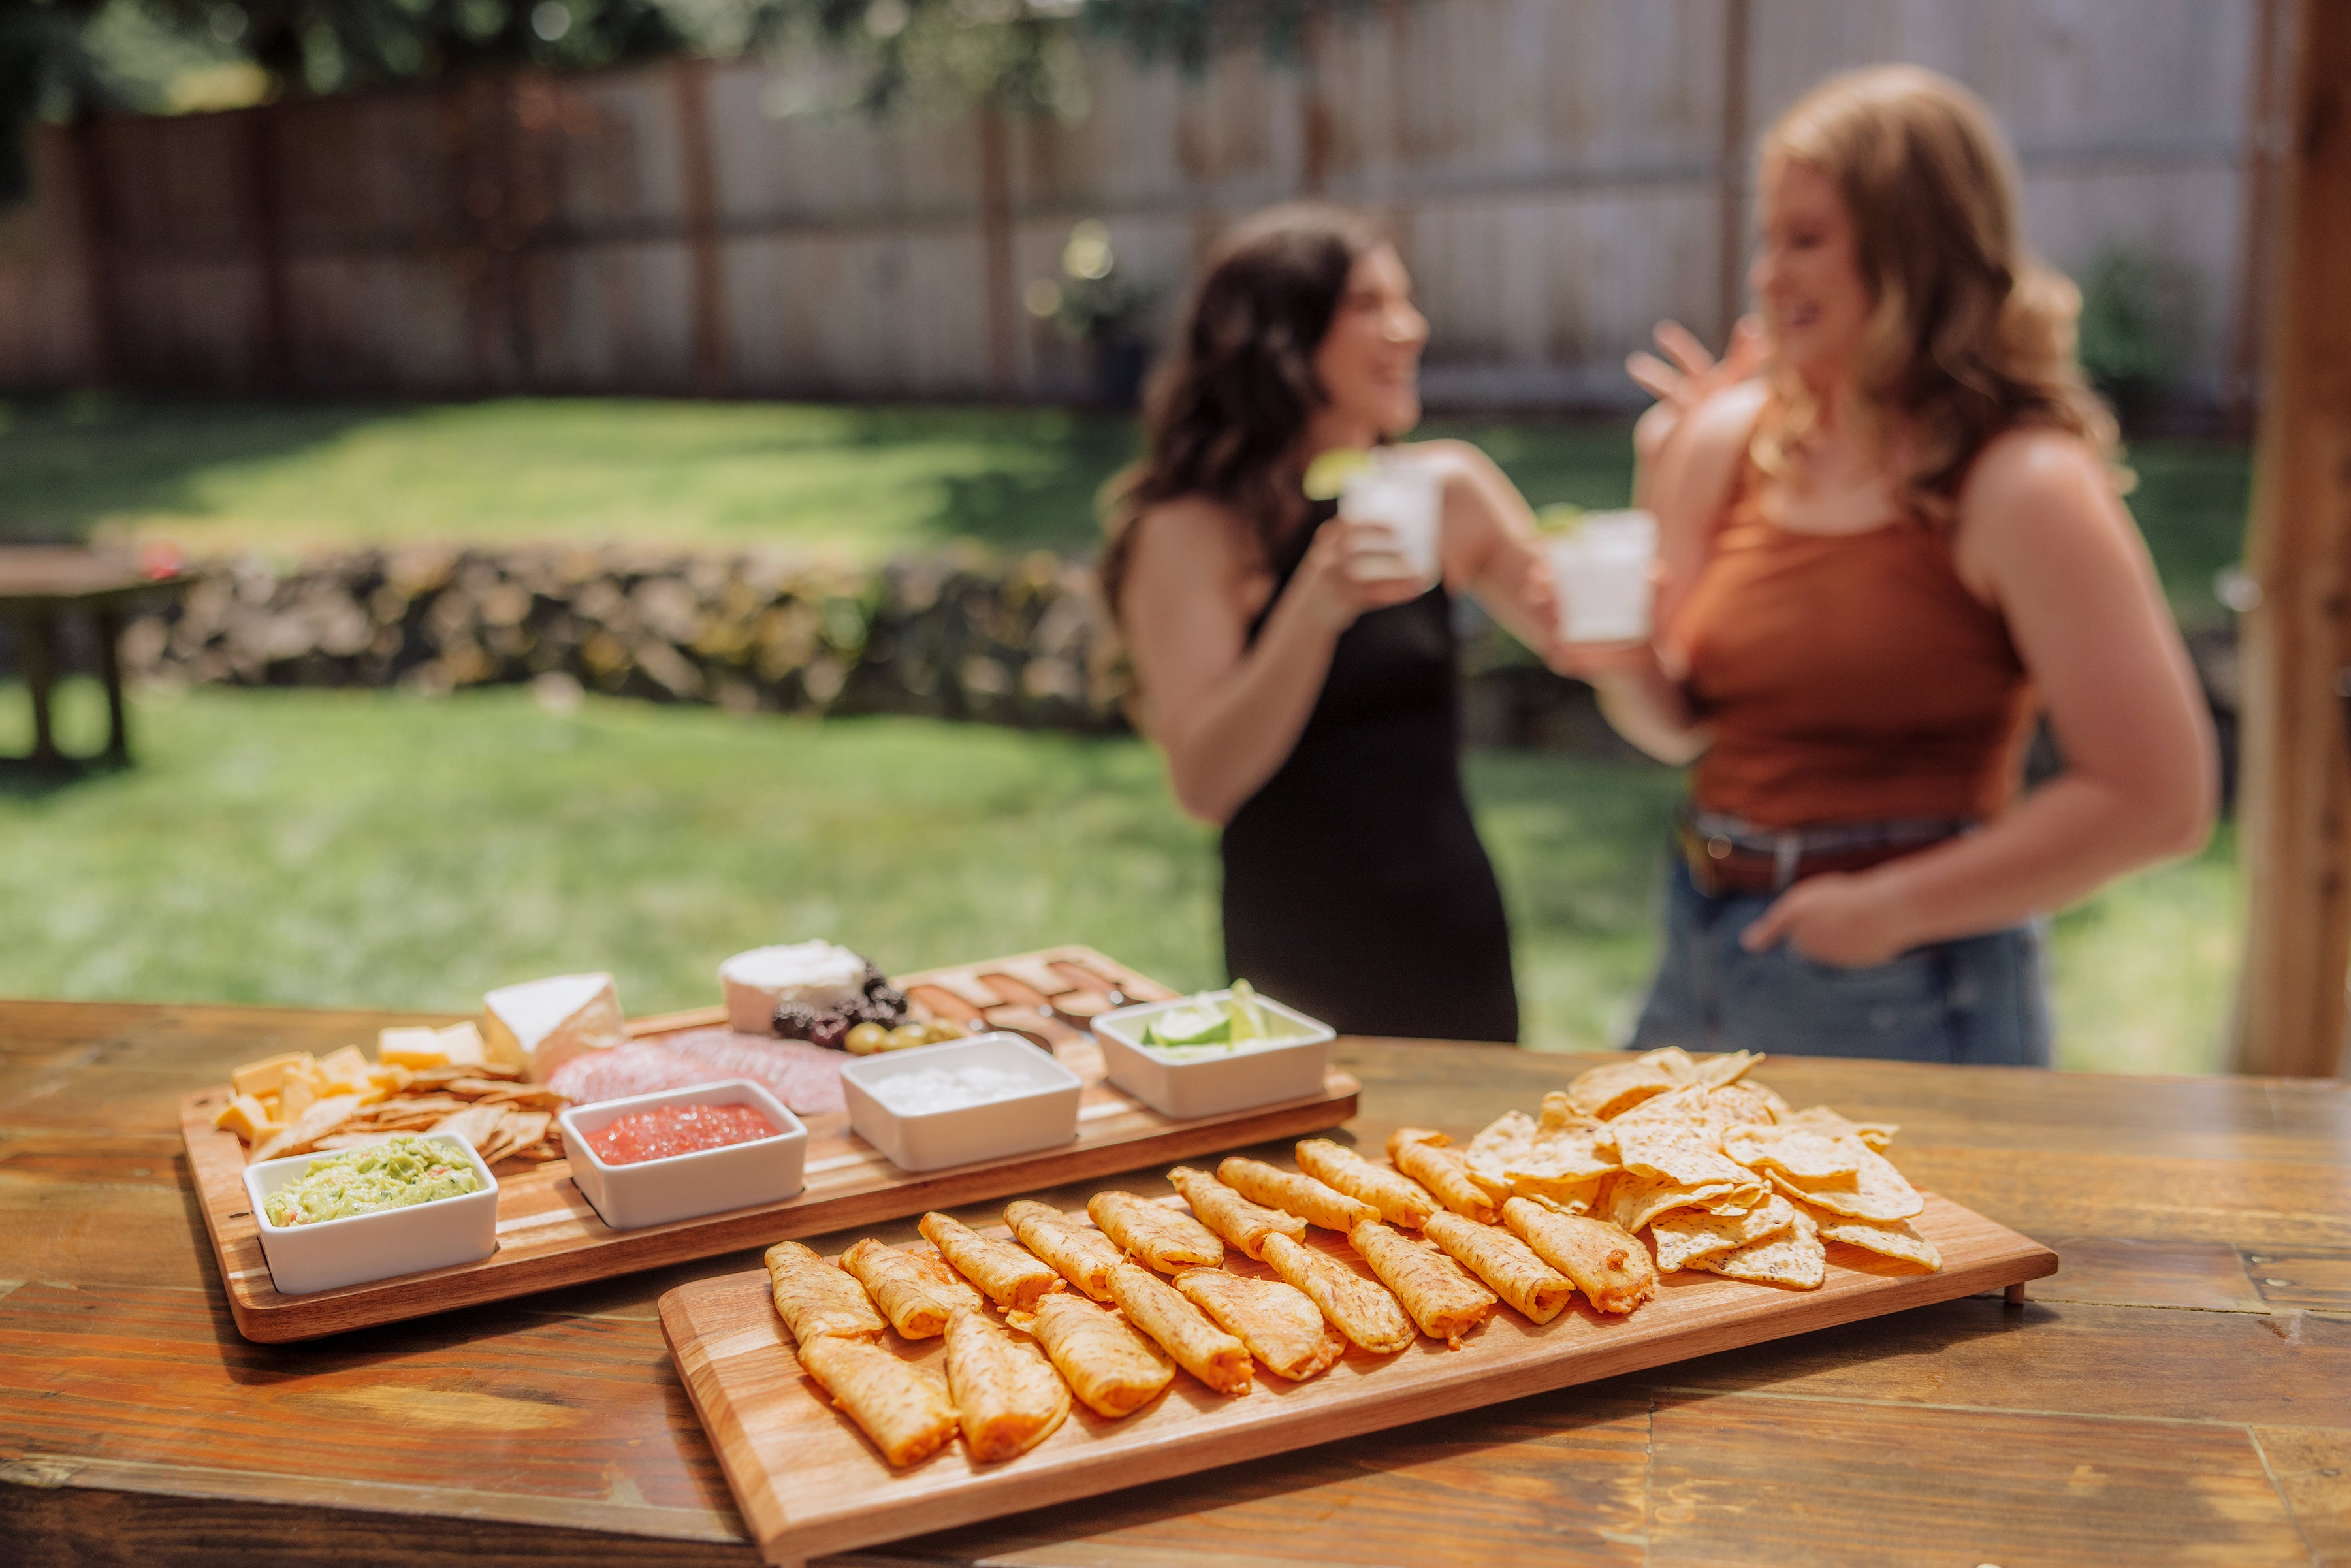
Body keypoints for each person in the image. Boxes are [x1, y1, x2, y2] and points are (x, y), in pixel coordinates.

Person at [1563, 65, 2216, 1064]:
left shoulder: (2020, 481)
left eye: (1808, 239)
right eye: (1767, 238)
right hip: (1697, 931)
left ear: (1918, 250)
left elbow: (2159, 798)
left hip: (1903, 980)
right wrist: (1615, 646)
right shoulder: (1728, 441)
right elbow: (1674, 726)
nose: (1767, 275)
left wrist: (1885, 911)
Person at [1100, 204, 1561, 1042]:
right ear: (1281, 340)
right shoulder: (1194, 533)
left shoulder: (1445, 489)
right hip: (1294, 956)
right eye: (1370, 306)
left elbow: (1587, 638)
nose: (1409, 330)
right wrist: (1313, 608)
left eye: (1407, 301)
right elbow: (1204, 784)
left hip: (1454, 931)